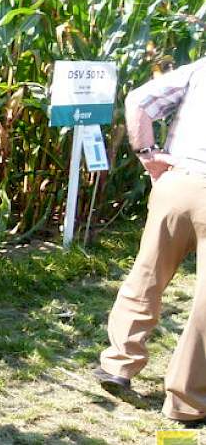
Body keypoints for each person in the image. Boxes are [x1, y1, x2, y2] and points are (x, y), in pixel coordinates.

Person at [94, 57, 206, 424]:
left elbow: (138, 101)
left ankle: (118, 365)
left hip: (179, 179)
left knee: (147, 274)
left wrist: (147, 153)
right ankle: (186, 401)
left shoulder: (200, 68)